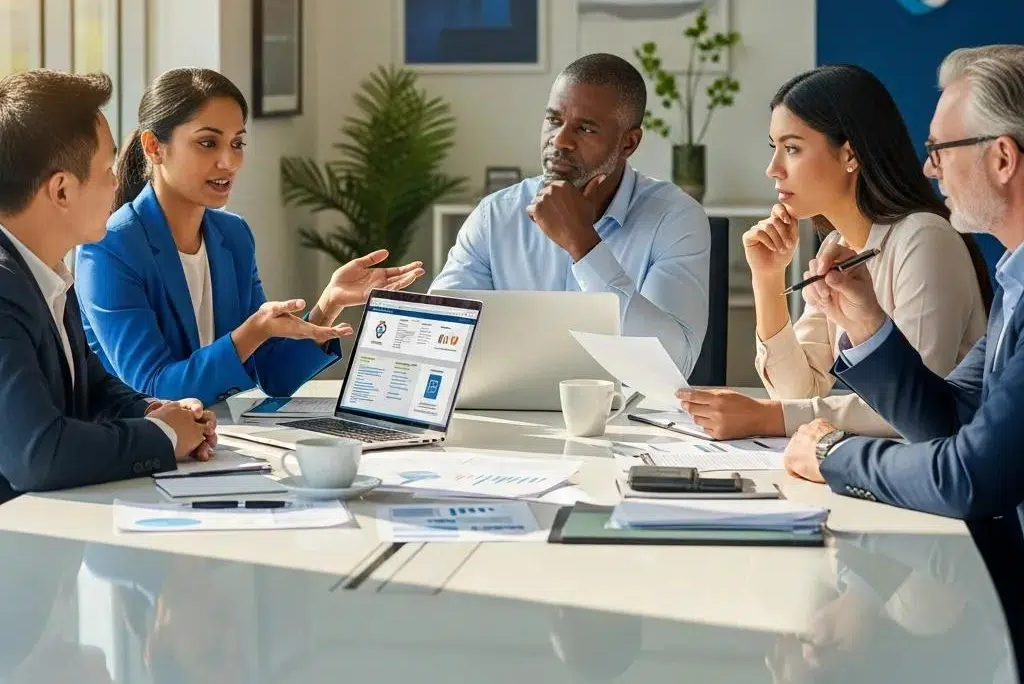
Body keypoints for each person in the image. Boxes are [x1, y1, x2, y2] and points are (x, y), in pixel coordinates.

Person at [782, 45, 1024, 661]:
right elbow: (946, 418)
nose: (929, 169)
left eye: (941, 149)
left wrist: (835, 455)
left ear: (1002, 158)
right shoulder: (1014, 282)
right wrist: (866, 320)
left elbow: (969, 476)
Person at [76, 68, 424, 408]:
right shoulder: (110, 248)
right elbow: (154, 389)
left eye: (237, 143)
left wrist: (329, 303)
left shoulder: (233, 235)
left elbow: (273, 375)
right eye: (207, 143)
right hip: (142, 448)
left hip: (215, 442)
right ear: (154, 147)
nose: (228, 162)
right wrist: (253, 331)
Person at [675, 65, 990, 439]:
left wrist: (767, 418)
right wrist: (768, 278)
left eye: (791, 148)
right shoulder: (837, 246)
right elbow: (797, 392)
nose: (772, 169)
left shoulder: (924, 239)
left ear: (850, 155)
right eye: (774, 148)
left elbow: (915, 409)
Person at [0, 70, 216, 504]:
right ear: (61, 190)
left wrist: (157, 412)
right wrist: (160, 438)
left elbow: (92, 385)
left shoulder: (45, 272)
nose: (118, 183)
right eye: (106, 170)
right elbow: (37, 454)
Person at [431, 53, 710, 376]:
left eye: (586, 129)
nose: (560, 140)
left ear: (628, 143)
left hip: (624, 420)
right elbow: (441, 338)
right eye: (553, 120)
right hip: (509, 415)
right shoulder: (495, 217)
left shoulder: (674, 218)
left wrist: (584, 247)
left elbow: (673, 365)